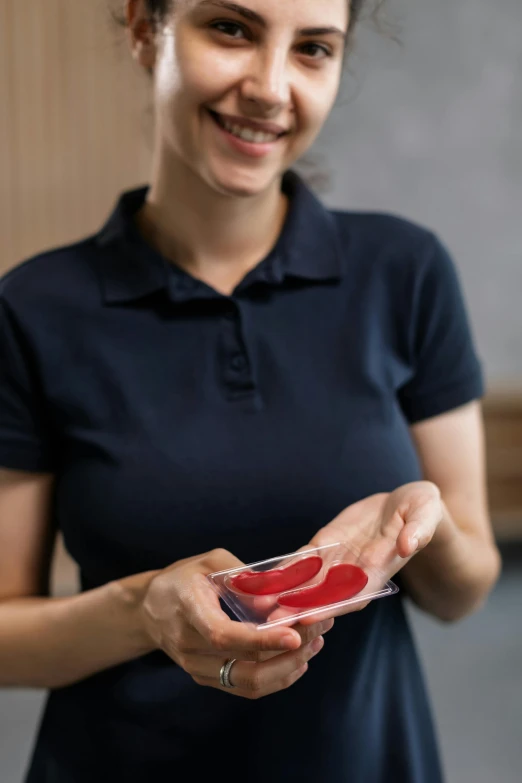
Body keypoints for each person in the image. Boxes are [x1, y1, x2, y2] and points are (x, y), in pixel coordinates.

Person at [0, 1, 501, 781]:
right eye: (231, 29)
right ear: (144, 27)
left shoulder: (406, 272)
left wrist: (422, 529)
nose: (271, 87)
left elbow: (464, 590)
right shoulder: (32, 309)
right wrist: (144, 610)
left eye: (312, 48)